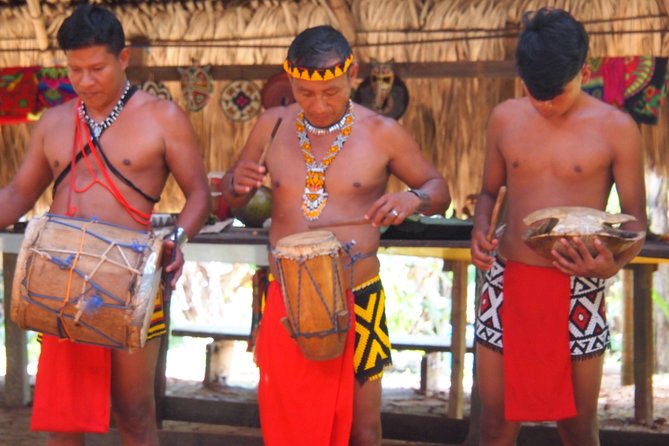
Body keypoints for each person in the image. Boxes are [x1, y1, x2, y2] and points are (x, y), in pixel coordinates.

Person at [221, 25, 450, 446]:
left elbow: (439, 189)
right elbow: (234, 194)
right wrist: (237, 186)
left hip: (357, 296)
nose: (320, 104)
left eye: (331, 91)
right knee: (289, 427)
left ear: (352, 74)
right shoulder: (271, 125)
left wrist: (414, 199)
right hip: (287, 298)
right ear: (290, 79)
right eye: (306, 93)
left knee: (362, 430)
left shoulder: (382, 132)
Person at [0, 4, 209, 445]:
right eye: (75, 70)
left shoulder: (162, 117)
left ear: (124, 58)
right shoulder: (53, 123)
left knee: (133, 413)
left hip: (134, 278)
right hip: (60, 279)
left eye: (97, 68)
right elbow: (18, 194)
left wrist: (177, 237)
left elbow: (199, 195)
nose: (85, 81)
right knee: (65, 416)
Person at [470, 7, 646, 446]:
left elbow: (635, 222)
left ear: (583, 69)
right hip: (505, 283)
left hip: (579, 288)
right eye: (535, 92)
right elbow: (490, 193)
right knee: (494, 424)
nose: (544, 102)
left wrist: (610, 266)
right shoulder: (504, 118)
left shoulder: (617, 129)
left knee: (577, 429)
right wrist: (479, 227)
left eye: (557, 92)